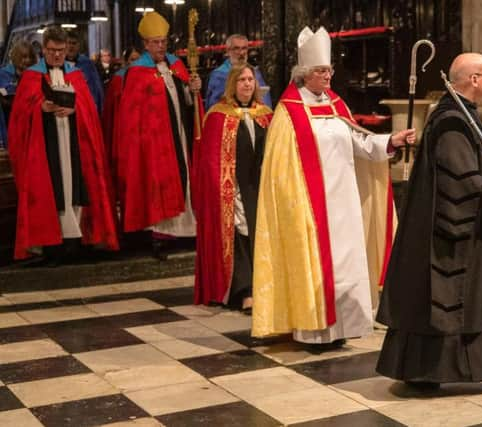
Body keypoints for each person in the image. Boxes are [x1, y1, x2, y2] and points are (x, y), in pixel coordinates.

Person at [375, 53, 482, 391]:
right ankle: (425, 372)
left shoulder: (465, 114)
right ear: (473, 80)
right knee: (456, 300)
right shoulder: (452, 121)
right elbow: (460, 180)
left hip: (476, 225)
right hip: (456, 232)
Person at [251, 26, 415, 349]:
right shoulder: (289, 113)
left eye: (329, 70)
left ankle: (344, 328)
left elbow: (359, 142)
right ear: (306, 74)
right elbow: (280, 171)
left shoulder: (337, 104)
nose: (328, 76)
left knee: (346, 262)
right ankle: (314, 331)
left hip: (344, 203)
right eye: (322, 71)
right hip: (309, 205)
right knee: (314, 265)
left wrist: (390, 141)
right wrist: (293, 203)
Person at [8, 26, 118, 261]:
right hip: (46, 147)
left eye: (60, 50)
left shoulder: (76, 74)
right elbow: (18, 117)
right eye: (51, 51)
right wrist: (40, 108)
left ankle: (77, 241)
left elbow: (89, 110)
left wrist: (76, 108)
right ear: (43, 50)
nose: (56, 55)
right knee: (52, 190)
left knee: (75, 186)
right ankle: (51, 244)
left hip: (74, 143)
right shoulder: (31, 77)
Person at [115, 12, 202, 259]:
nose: (161, 46)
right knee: (159, 183)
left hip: (179, 135)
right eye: (155, 42)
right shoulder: (136, 72)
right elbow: (133, 116)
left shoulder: (176, 64)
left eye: (164, 41)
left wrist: (192, 89)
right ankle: (162, 235)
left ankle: (188, 230)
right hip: (153, 143)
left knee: (184, 177)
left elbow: (187, 101)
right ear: (145, 44)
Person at [194, 64, 273, 312]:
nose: (247, 84)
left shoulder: (266, 115)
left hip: (259, 187)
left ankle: (263, 286)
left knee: (259, 234)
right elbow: (209, 160)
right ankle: (244, 290)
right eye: (242, 80)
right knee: (239, 235)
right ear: (232, 84)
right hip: (233, 188)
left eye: (250, 79)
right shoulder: (218, 116)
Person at [102, 46, 140, 187]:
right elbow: (112, 108)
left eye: (138, 60)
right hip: (123, 128)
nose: (135, 63)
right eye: (132, 60)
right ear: (125, 61)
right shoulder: (119, 79)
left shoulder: (146, 75)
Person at [205, 34, 271, 110]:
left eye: (244, 48)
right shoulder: (219, 75)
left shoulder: (255, 72)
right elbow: (214, 106)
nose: (241, 52)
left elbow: (265, 102)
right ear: (228, 51)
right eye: (236, 48)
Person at [0, 39, 38, 138]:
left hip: (29, 124)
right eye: (24, 57)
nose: (28, 60)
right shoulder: (3, 74)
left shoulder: (36, 75)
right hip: (8, 122)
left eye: (30, 57)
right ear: (16, 57)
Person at [65, 29, 104, 112]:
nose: (71, 46)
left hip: (85, 107)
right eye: (68, 43)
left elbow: (96, 87)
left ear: (78, 45)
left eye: (74, 43)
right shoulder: (58, 63)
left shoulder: (87, 64)